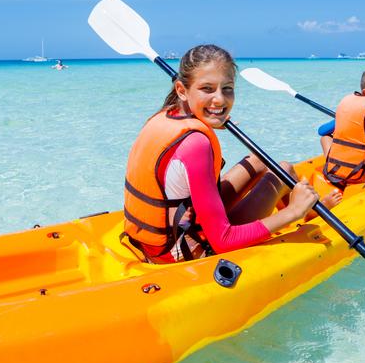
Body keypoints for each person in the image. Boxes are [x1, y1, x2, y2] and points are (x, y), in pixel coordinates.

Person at [123, 44, 323, 263]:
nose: (220, 99)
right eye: (207, 89)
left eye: (227, 88)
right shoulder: (196, 143)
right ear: (182, 90)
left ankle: (302, 210)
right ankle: (300, 213)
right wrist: (292, 212)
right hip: (186, 252)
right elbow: (223, 241)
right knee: (283, 170)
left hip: (157, 240)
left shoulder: (164, 116)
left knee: (259, 160)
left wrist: (208, 119)